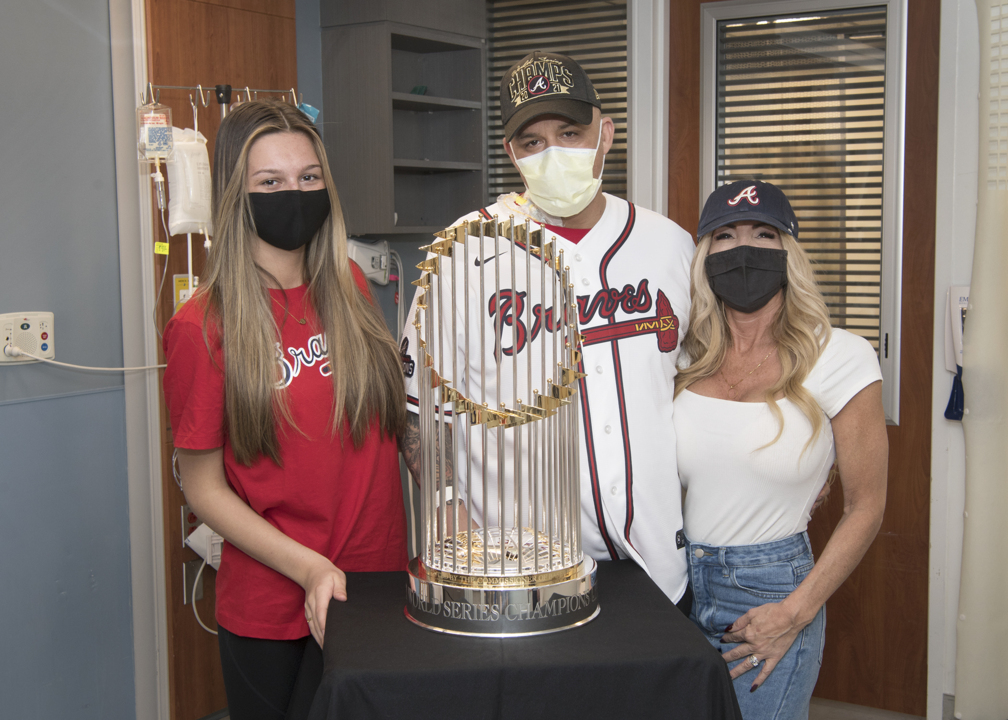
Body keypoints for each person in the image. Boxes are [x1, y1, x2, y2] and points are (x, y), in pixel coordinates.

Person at [399, 51, 696, 610]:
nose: (553, 152)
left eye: (570, 131)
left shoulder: (670, 245)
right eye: (532, 142)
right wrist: (446, 505)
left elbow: (705, 381)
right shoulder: (462, 253)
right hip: (524, 576)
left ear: (605, 134)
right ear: (511, 153)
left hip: (661, 566)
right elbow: (416, 406)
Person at [162, 100, 408, 720]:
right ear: (233, 195)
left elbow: (386, 427)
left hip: (375, 583)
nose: (292, 193)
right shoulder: (203, 326)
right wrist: (309, 569)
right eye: (269, 182)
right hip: (274, 607)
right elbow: (203, 489)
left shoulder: (349, 286)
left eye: (307, 177)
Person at [673, 180, 888, 719]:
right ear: (703, 256)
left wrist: (794, 613)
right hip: (676, 585)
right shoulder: (680, 359)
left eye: (763, 233)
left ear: (788, 252)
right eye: (724, 236)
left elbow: (868, 505)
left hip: (769, 592)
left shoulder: (841, 356)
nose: (743, 249)